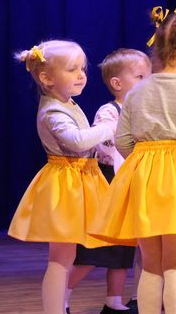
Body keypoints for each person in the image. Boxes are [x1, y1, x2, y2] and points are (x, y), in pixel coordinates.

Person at [90, 6, 176, 314]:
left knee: (151, 265)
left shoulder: (137, 91)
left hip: (144, 179)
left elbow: (123, 140)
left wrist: (143, 162)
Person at [8, 40, 115, 314]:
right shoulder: (53, 110)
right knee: (60, 258)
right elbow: (77, 141)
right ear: (47, 78)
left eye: (82, 69)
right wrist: (107, 128)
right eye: (72, 69)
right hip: (66, 185)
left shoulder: (67, 103)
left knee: (65, 257)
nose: (81, 75)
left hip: (80, 179)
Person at [66, 48, 152, 314]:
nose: (147, 82)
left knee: (124, 246)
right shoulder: (110, 111)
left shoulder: (146, 109)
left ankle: (114, 300)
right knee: (95, 248)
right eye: (140, 77)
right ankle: (62, 296)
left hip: (131, 179)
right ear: (117, 83)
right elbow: (104, 143)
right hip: (109, 180)